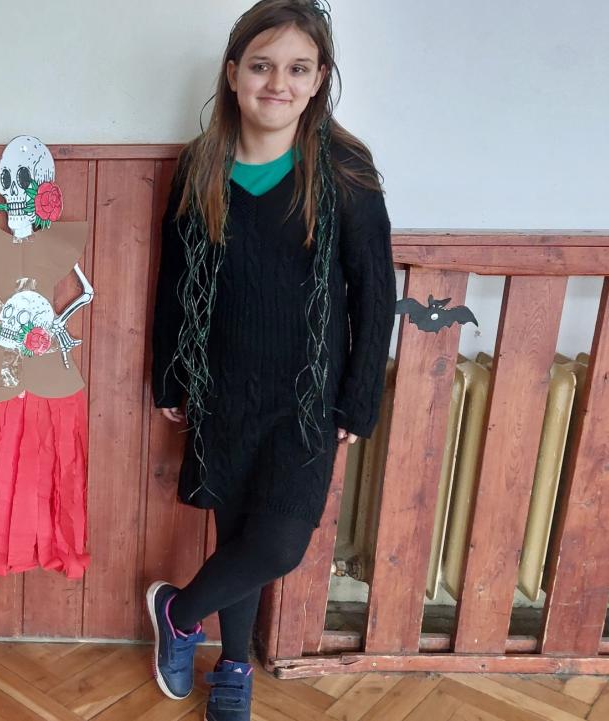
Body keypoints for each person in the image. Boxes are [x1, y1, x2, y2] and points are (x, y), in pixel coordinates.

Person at [145, 2, 396, 719]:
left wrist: (358, 400)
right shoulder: (201, 166)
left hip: (307, 398)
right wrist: (172, 374)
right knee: (237, 535)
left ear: (318, 80)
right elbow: (176, 279)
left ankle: (177, 613)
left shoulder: (345, 172)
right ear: (233, 75)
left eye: (296, 68)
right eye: (261, 66)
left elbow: (374, 293)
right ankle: (233, 666)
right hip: (223, 388)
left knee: (279, 541)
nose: (277, 83)